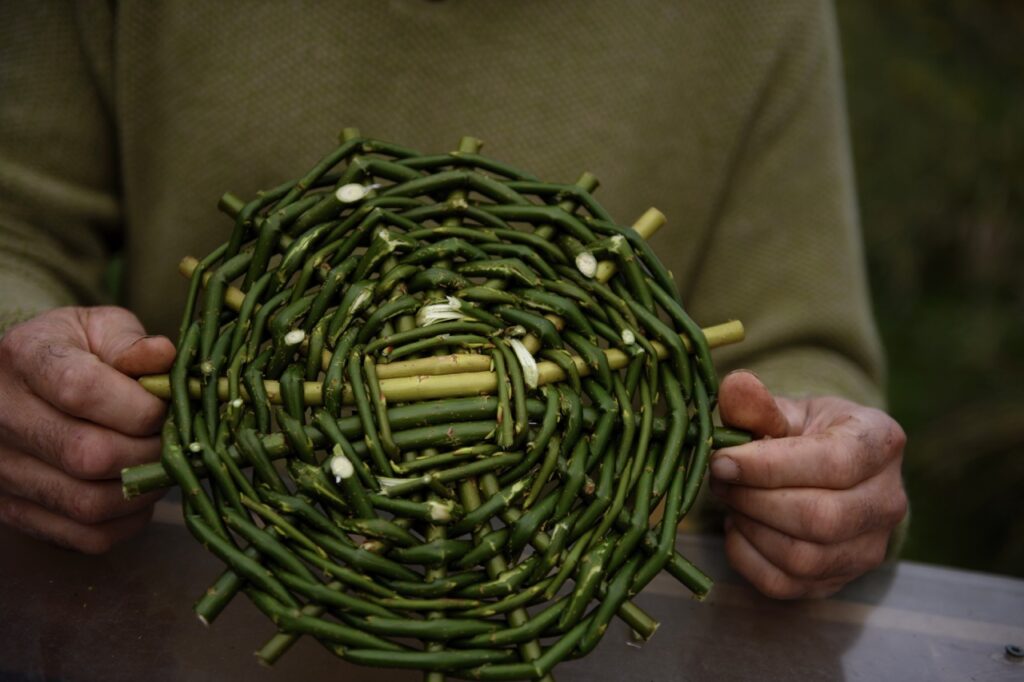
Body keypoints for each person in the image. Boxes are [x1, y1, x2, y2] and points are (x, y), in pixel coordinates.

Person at [0, 1, 906, 599]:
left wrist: (812, 460)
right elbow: (18, 234)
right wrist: (30, 358)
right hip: (187, 595)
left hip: (593, 626)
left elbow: (801, 349)